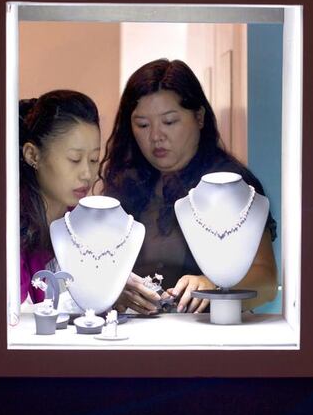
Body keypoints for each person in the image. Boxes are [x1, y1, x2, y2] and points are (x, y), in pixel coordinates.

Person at [99, 58, 278, 314]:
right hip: (135, 337)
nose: (156, 136)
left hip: (210, 338)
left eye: (169, 122)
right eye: (142, 125)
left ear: (199, 117)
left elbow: (267, 281)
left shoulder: (231, 183)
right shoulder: (125, 182)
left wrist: (216, 286)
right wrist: (113, 288)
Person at [19, 90, 100, 305]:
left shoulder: (81, 223)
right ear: (32, 155)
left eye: (94, 159)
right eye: (74, 159)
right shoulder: (9, 226)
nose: (87, 174)